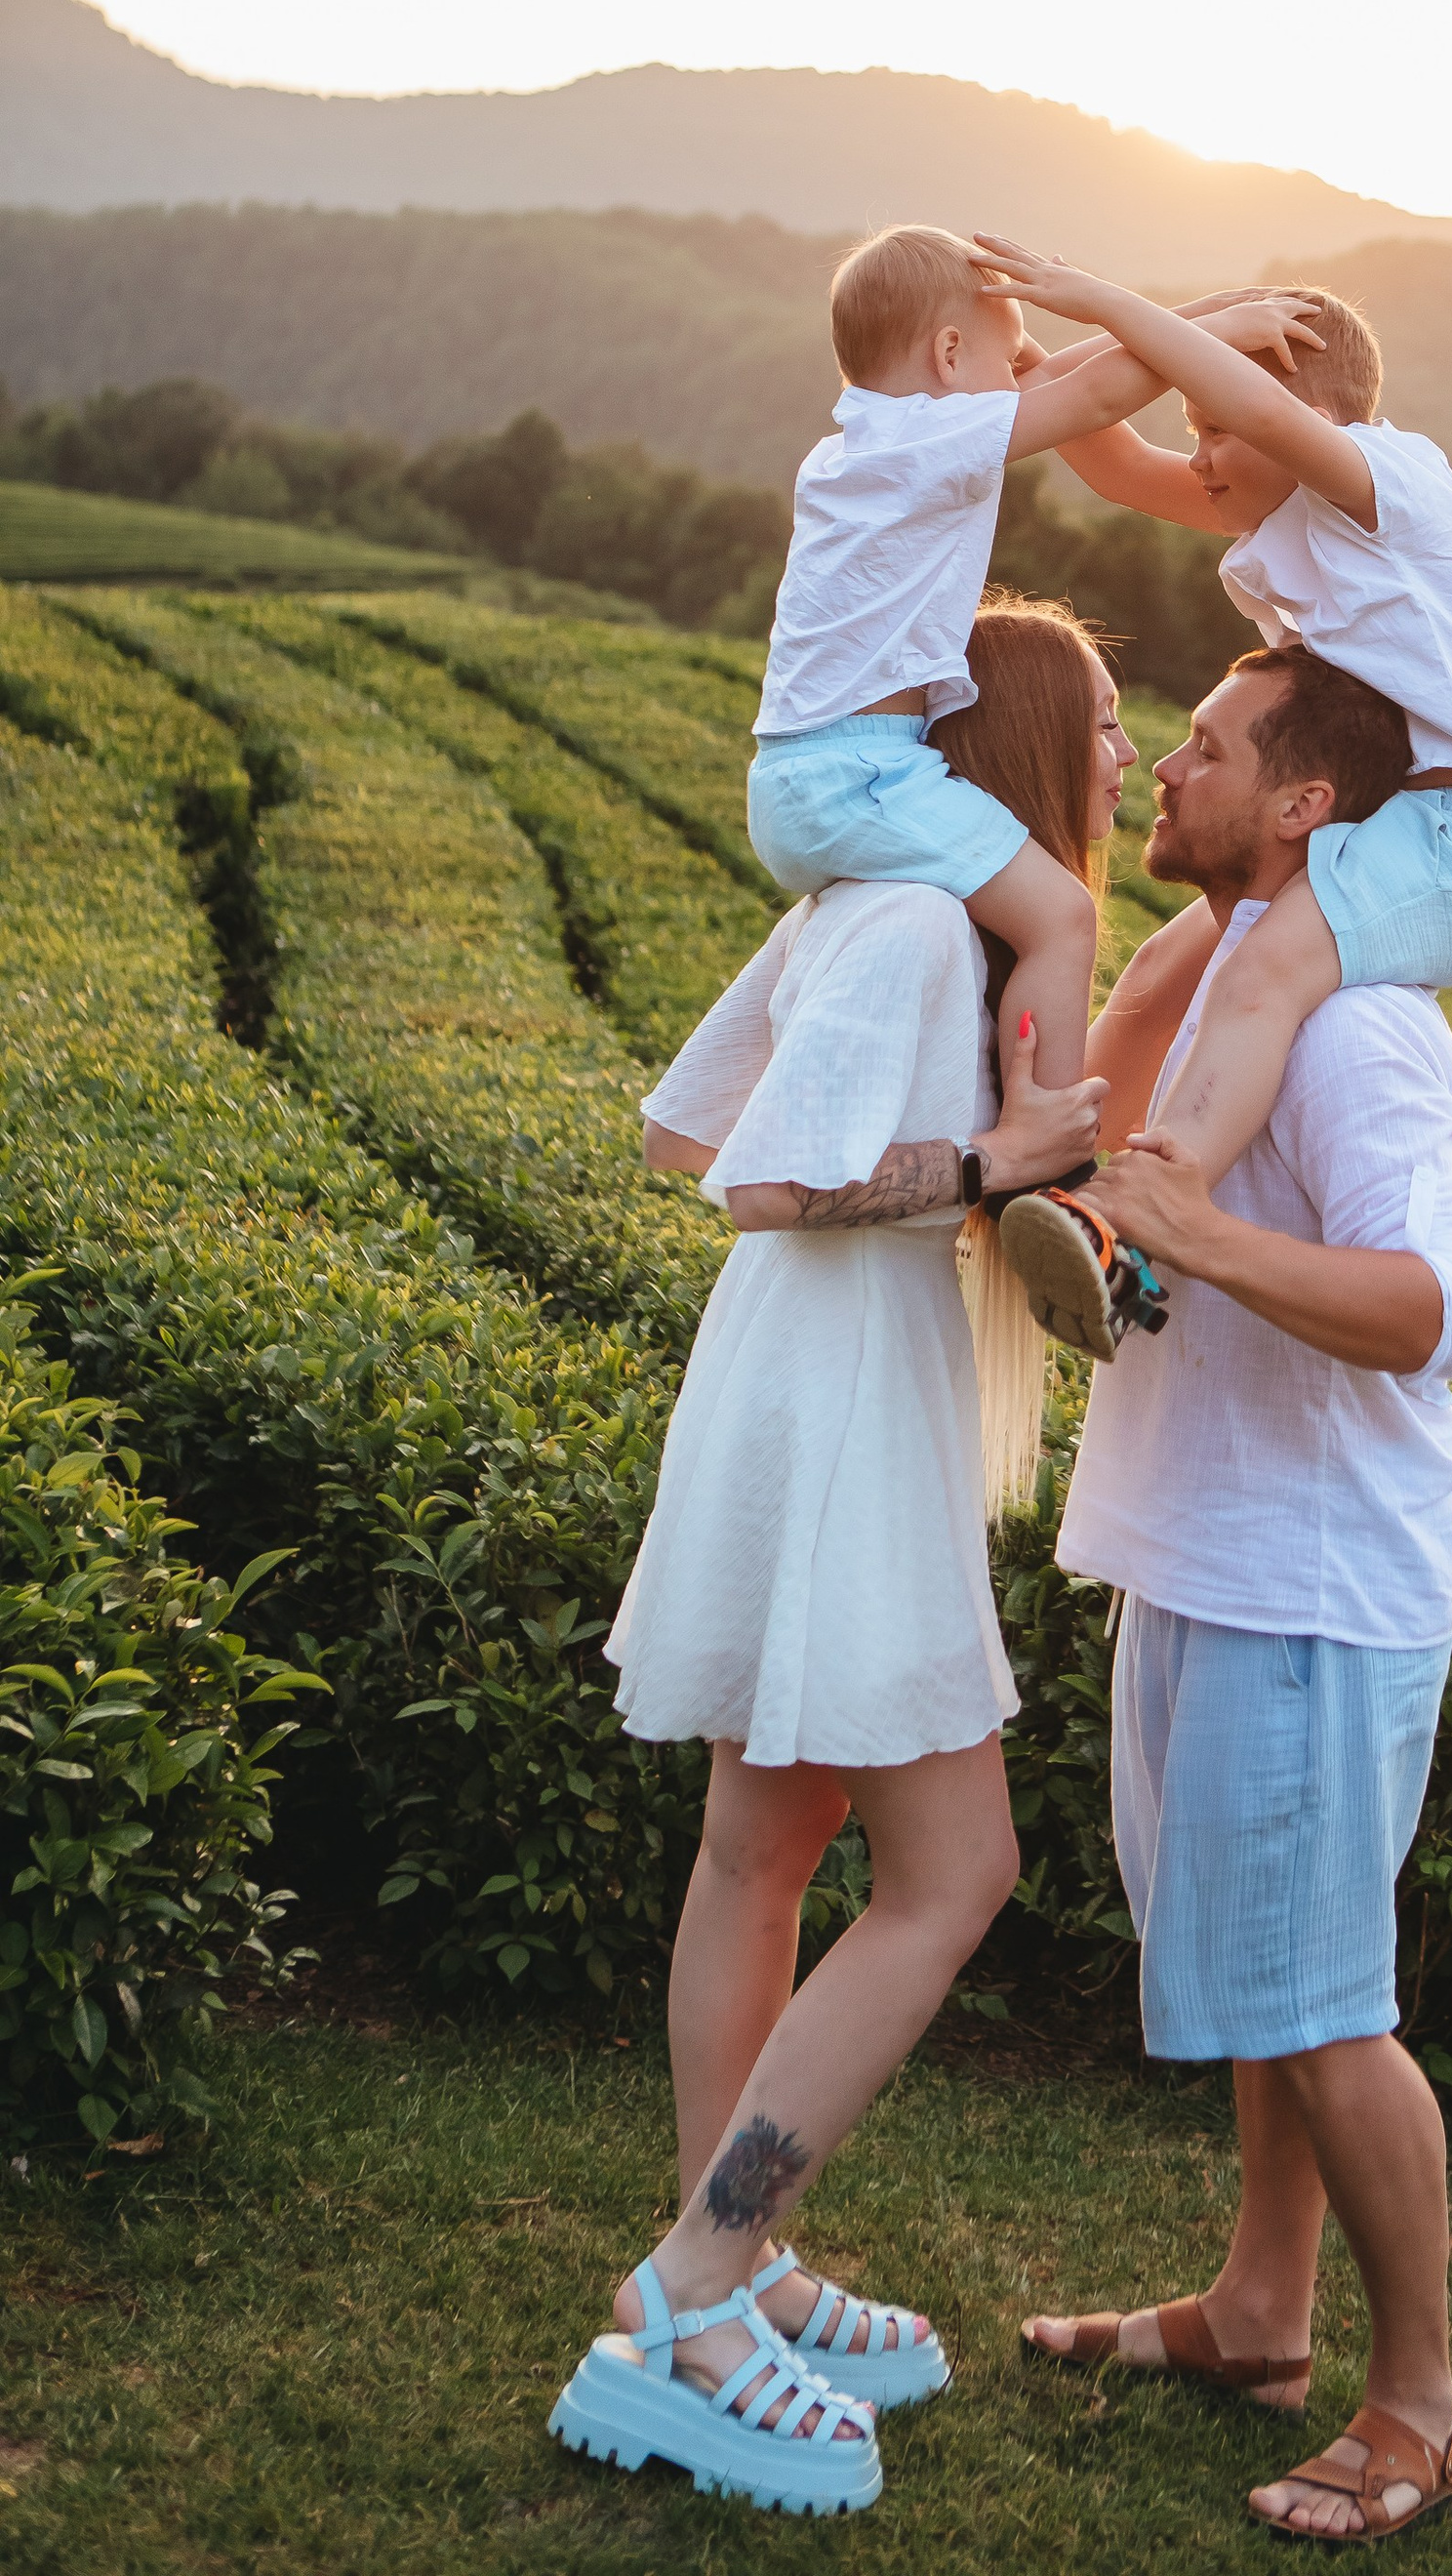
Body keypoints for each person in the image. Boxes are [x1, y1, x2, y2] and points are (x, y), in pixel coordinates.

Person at [549, 596, 1128, 2520]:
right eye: (1109, 727)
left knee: (763, 1845)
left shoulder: (869, 910)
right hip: (840, 1413)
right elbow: (751, 1182)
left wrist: (991, 1175)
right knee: (954, 1870)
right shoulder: (899, 926)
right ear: (1032, 753)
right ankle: (702, 2285)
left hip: (802, 1387)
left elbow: (669, 1125)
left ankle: (735, 2264)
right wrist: (981, 1173)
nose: (1123, 763)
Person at [1022, 641, 1452, 2544]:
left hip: (1309, 1582)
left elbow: (1434, 1311)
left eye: (1202, 750)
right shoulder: (1221, 981)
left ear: (1303, 803)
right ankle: (1257, 2314)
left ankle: (1421, 2406)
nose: (1166, 770)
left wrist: (1196, 1231)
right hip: (1203, 1549)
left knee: (1323, 2005)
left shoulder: (1357, 1022)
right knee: (1266, 1990)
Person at [966, 236, 1452, 1364]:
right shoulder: (1276, 518)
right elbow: (1109, 458)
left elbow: (1266, 412)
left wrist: (1111, 290)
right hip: (1380, 830)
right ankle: (1046, 1169)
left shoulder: (1392, 487)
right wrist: (1041, 356)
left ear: (1307, 417)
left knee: (1263, 971)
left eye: (1217, 428)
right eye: (1194, 428)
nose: (1199, 455)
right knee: (1157, 978)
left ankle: (1139, 1218)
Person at [746, 219, 1313, 1099]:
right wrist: (1221, 337)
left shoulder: (867, 446)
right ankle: (1044, 1146)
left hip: (816, 772)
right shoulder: (922, 442)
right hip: (858, 775)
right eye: (1008, 363)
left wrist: (1216, 314)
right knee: (1060, 915)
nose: (1026, 380)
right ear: (946, 356)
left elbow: (1082, 374)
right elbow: (1089, 399)